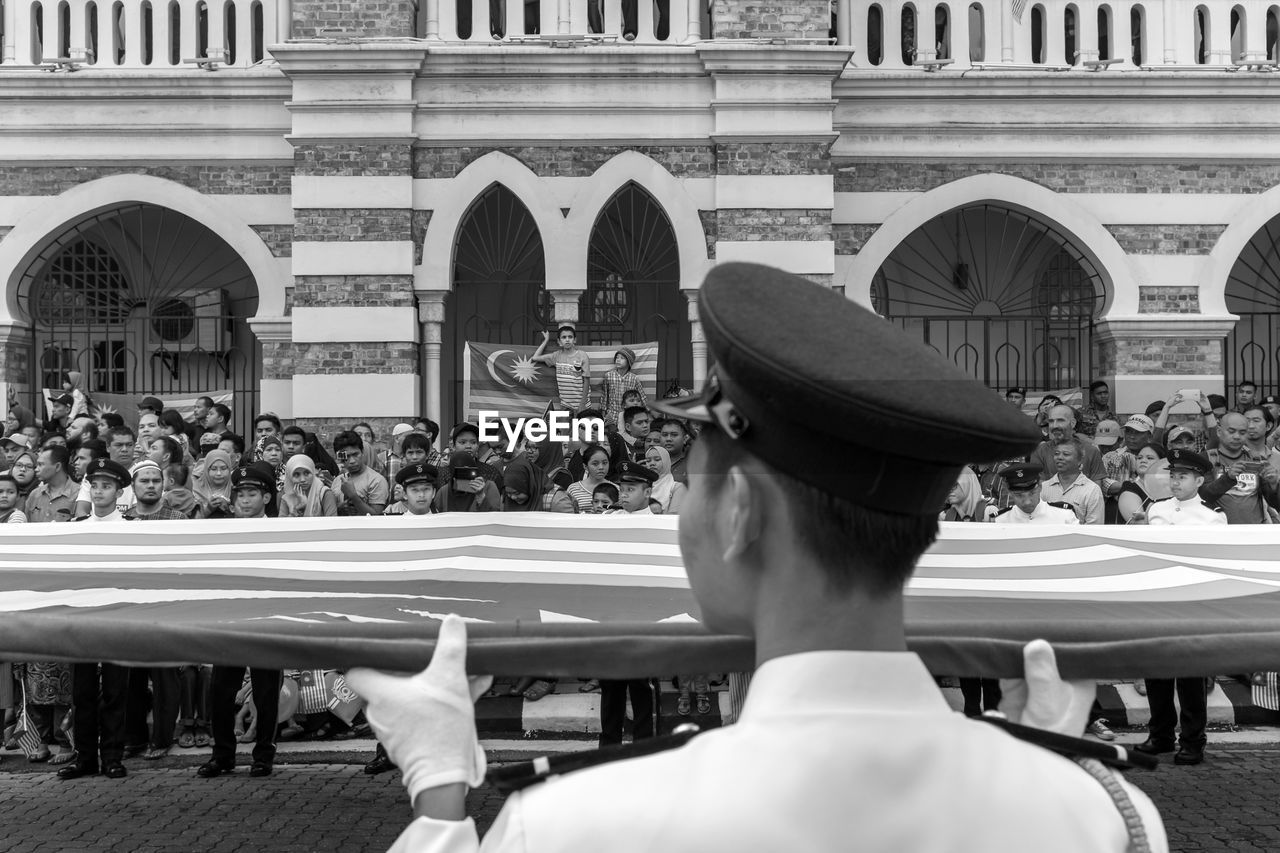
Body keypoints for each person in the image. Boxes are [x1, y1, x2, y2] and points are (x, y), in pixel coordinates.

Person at [347, 262, 1165, 853]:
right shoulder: (1103, 815)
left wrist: (442, 797)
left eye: (695, 482)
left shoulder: (580, 823)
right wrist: (1035, 768)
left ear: (739, 512)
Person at [1133, 449, 1221, 767]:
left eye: (1182, 476)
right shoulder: (1157, 509)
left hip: (1190, 601)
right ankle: (1161, 735)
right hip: (1159, 599)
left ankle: (1193, 741)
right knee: (1157, 671)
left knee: (1190, 677)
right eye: (1172, 475)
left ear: (1199, 479)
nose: (1175, 481)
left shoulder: (1212, 516)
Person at [199, 463, 282, 780]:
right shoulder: (223, 531)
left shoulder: (279, 531)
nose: (245, 500)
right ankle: (222, 755)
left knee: (265, 693)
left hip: (267, 619)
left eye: (252, 494)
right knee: (221, 691)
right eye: (241, 494)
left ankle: (264, 755)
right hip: (231, 619)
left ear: (266, 498)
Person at [58, 458, 134, 781]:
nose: (101, 491)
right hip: (84, 617)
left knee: (117, 690)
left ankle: (113, 756)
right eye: (96, 485)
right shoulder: (78, 529)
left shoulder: (131, 529)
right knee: (83, 691)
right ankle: (86, 756)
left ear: (119, 491)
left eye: (107, 486)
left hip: (117, 616)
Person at [1040, 438, 1104, 524]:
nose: (1059, 457)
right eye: (1056, 454)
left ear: (1080, 460)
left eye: (1066, 454)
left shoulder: (1092, 490)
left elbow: (1095, 529)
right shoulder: (1043, 488)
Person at [531, 324, 591, 414]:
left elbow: (587, 380)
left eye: (570, 337)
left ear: (575, 340)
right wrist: (546, 340)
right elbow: (535, 357)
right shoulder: (556, 356)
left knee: (581, 428)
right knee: (566, 428)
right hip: (565, 405)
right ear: (559, 341)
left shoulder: (582, 355)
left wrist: (582, 404)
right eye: (564, 337)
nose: (567, 339)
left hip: (582, 404)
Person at [991, 464, 1080, 524]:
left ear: (1040, 487)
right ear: (1009, 493)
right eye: (1019, 495)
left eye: (1032, 493)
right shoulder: (1000, 520)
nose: (1027, 502)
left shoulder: (1064, 515)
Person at [331, 431, 390, 517]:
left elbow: (376, 518)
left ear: (362, 452)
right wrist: (341, 507)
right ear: (340, 457)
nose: (352, 461)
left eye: (355, 454)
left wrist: (354, 497)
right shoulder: (337, 480)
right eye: (346, 456)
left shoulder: (376, 480)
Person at [24, 446, 77, 523]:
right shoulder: (34, 494)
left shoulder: (78, 494)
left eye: (40, 464)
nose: (36, 469)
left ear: (57, 466)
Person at [1116, 443, 1166, 524]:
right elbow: (1138, 522)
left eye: (1149, 458)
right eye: (1139, 458)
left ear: (1162, 464)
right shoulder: (1129, 487)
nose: (1143, 460)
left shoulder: (1170, 489)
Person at [601, 347, 646, 429]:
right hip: (612, 416)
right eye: (617, 358)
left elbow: (642, 397)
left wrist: (644, 412)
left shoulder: (634, 378)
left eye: (622, 358)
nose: (618, 360)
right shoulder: (608, 376)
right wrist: (604, 413)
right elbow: (605, 396)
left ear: (629, 362)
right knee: (613, 437)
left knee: (628, 436)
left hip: (629, 416)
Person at [567, 443, 611, 513]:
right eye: (595, 464)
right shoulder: (573, 489)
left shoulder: (616, 489)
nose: (601, 467)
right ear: (585, 466)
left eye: (605, 463)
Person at [644, 445, 686, 515]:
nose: (652, 463)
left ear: (666, 461)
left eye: (657, 459)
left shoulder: (677, 487)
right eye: (648, 461)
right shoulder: (642, 487)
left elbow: (673, 515)